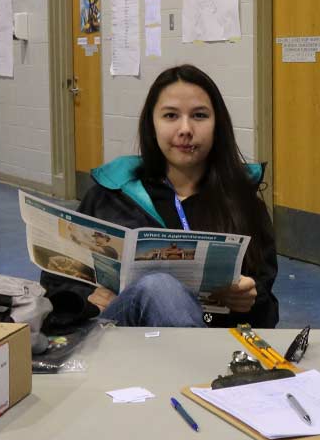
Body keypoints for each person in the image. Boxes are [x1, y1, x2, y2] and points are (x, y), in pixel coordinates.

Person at [41, 64, 278, 330]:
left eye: (199, 115)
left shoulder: (242, 204)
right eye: (170, 116)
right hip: (118, 339)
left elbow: (266, 314)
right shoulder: (109, 196)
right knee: (157, 287)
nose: (185, 129)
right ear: (152, 125)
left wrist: (250, 300)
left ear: (217, 125)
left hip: (214, 342)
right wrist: (87, 298)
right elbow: (55, 283)